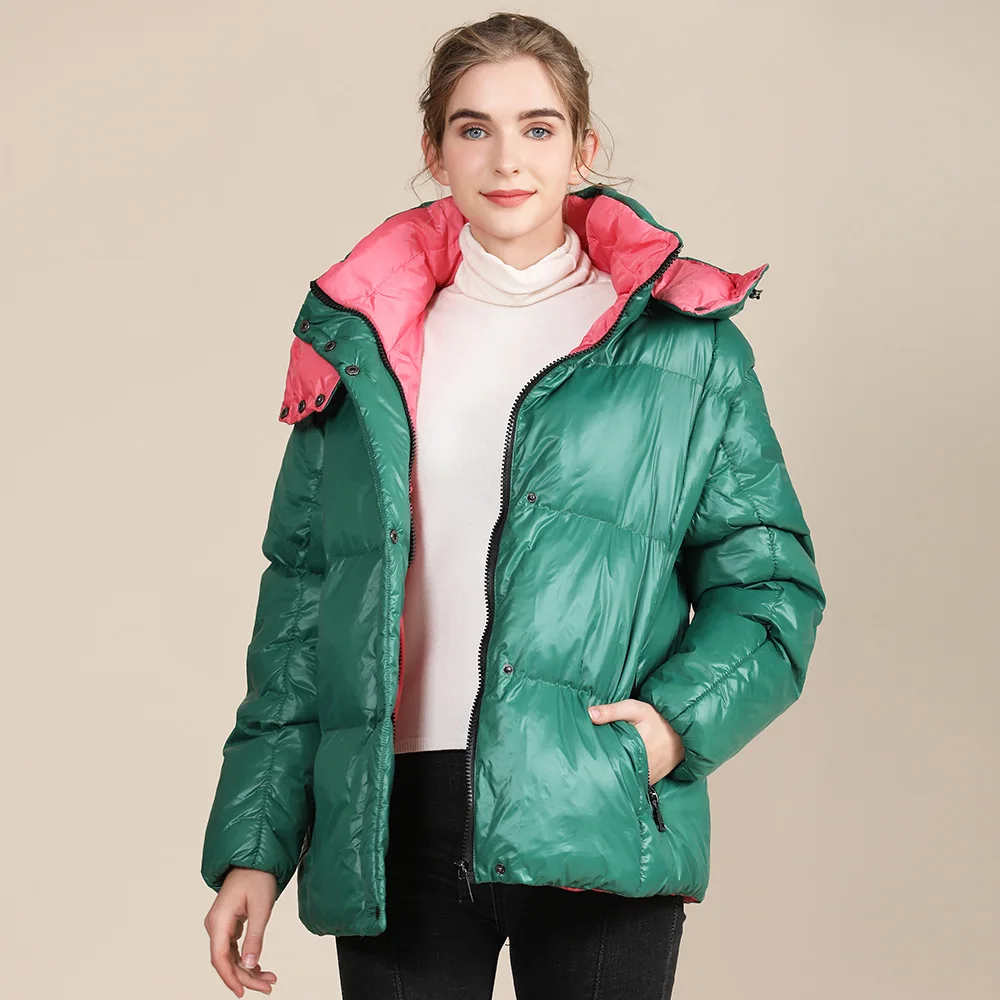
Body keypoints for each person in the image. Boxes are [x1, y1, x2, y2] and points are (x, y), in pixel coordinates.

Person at [200, 12, 826, 1000]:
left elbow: (772, 586)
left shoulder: (685, 349)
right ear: (434, 151)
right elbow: (300, 610)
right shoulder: (362, 349)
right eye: (473, 128)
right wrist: (255, 844)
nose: (506, 159)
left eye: (538, 127)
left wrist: (666, 730)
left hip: (595, 807)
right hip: (391, 824)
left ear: (584, 148)